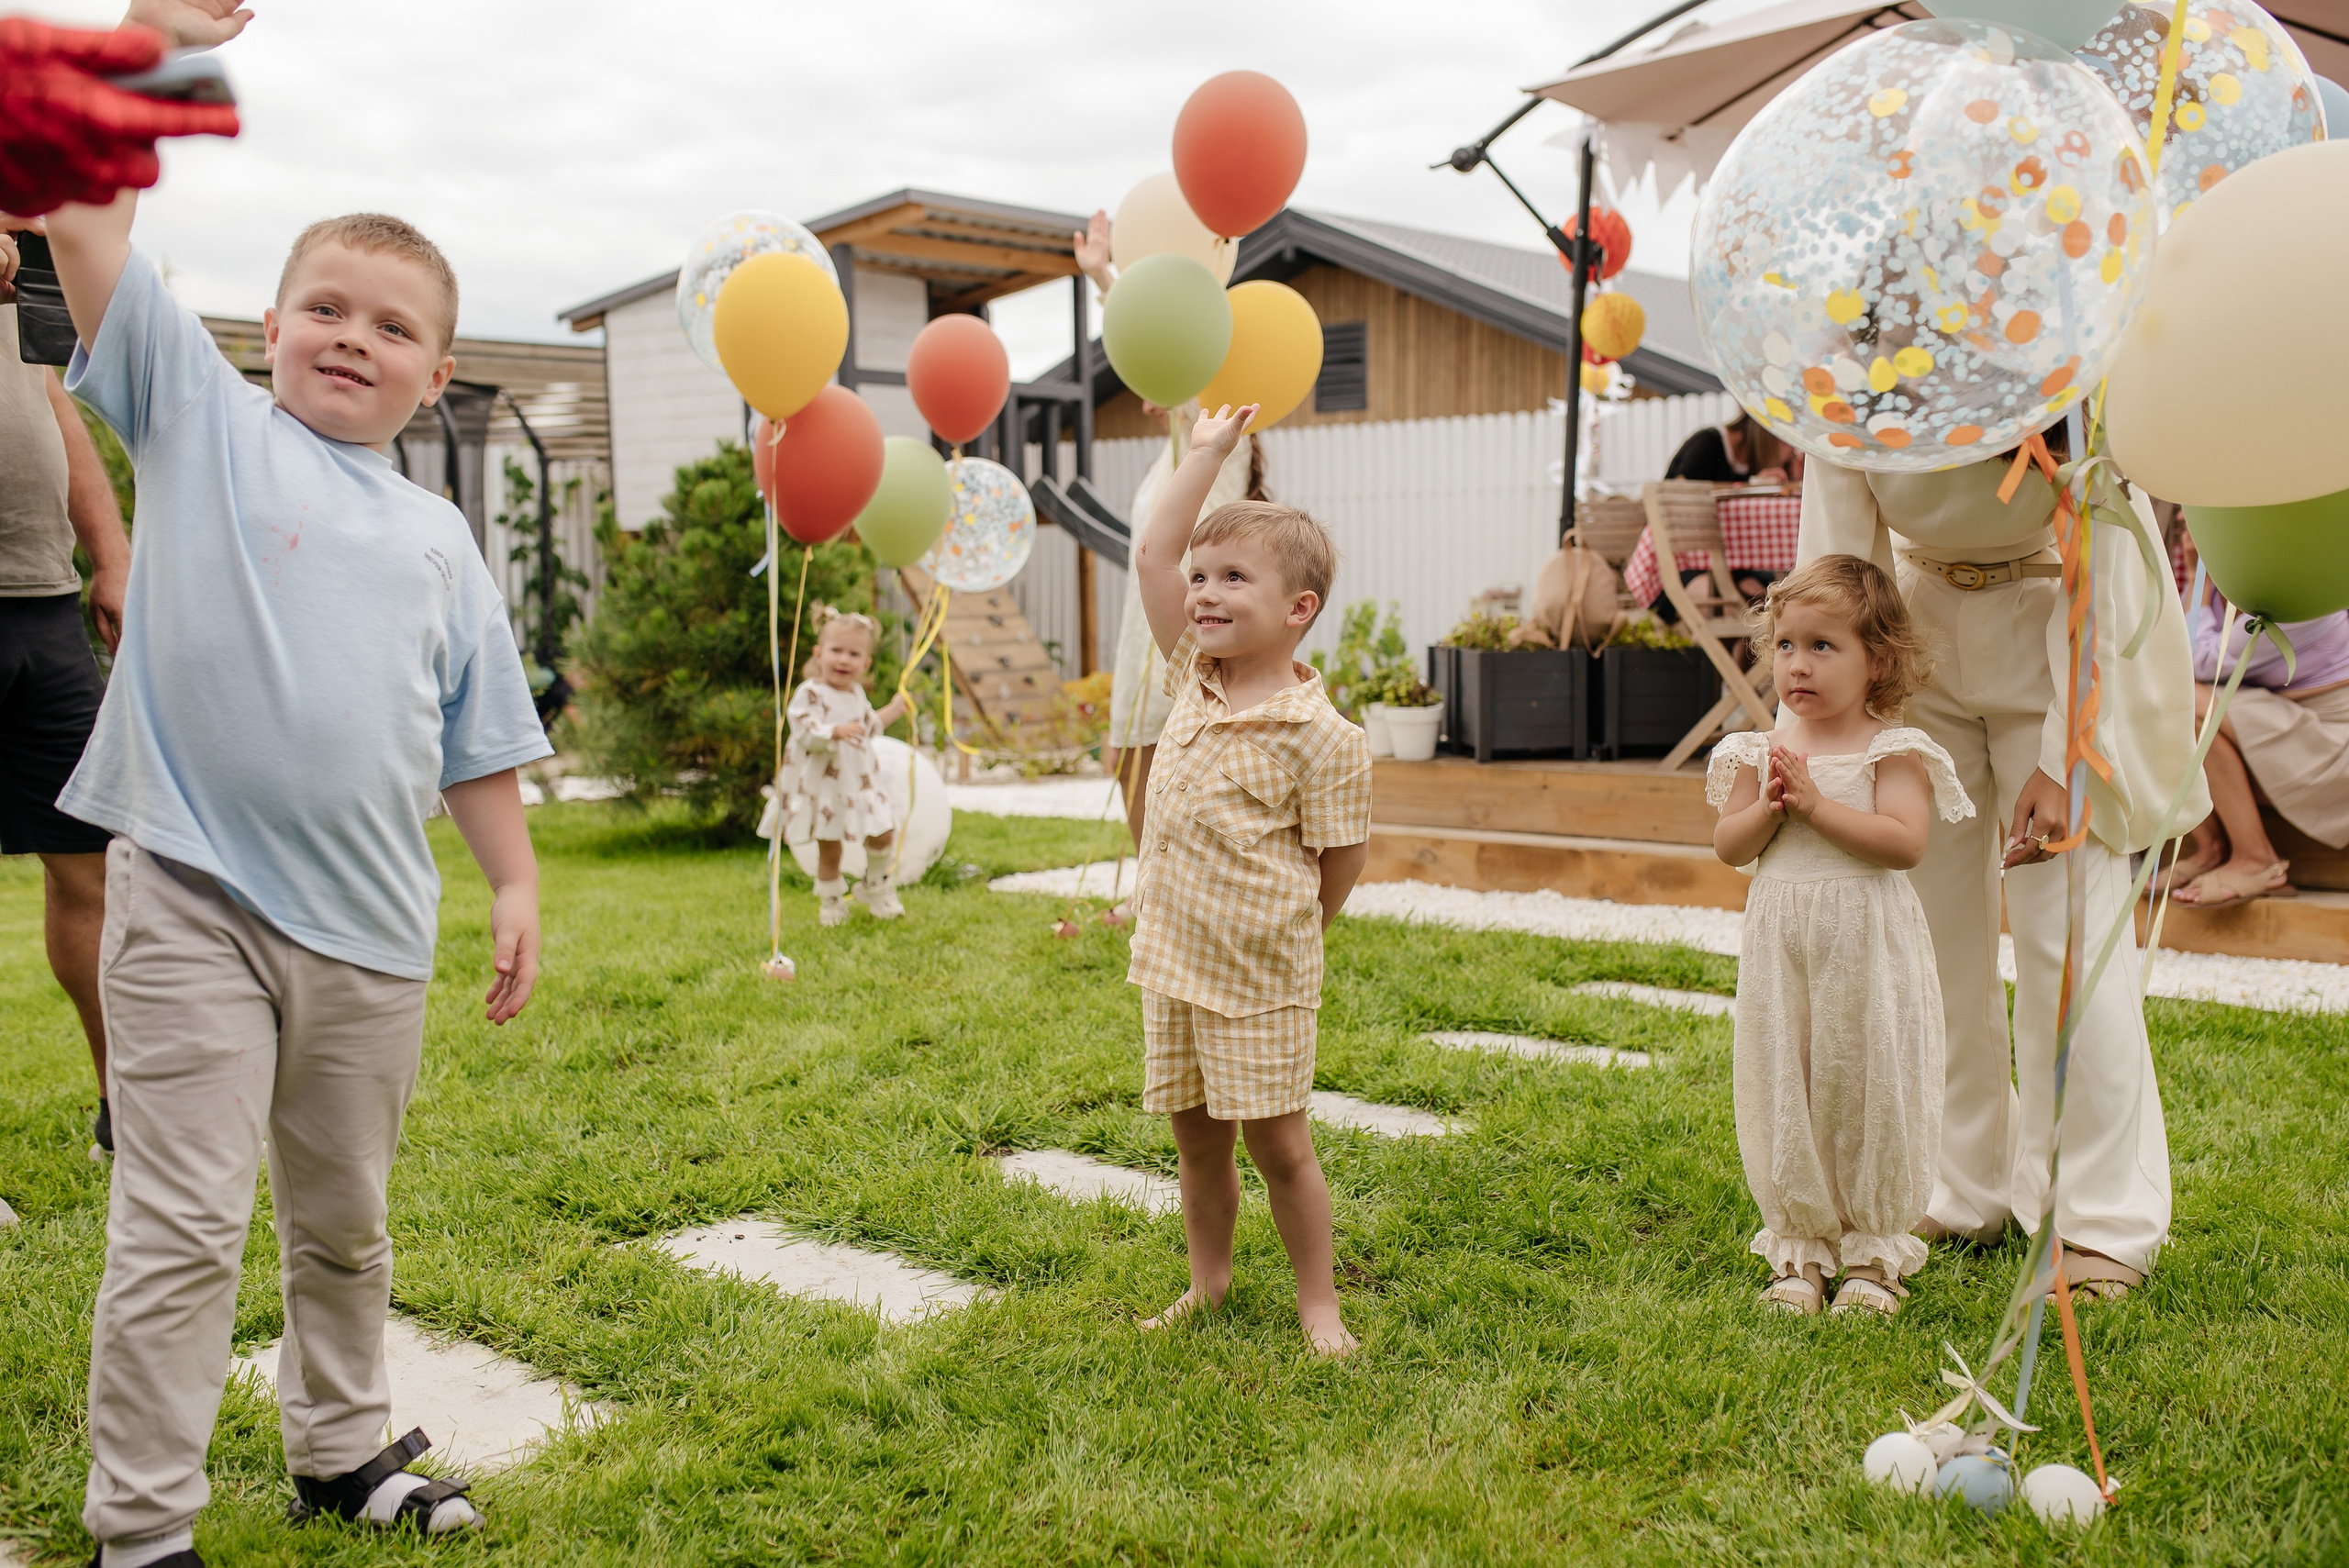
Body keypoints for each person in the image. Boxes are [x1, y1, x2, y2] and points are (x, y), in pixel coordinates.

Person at [49, 6, 553, 1556]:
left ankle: (340, 1445)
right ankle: (143, 1524)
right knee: (182, 1227)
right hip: (189, 897)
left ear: (439, 375)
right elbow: (79, 203)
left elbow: (474, 735)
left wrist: (516, 878)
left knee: (343, 1225)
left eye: (391, 325)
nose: (352, 334)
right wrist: (141, 38)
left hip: (374, 938)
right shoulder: (197, 421)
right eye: (323, 305)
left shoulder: (440, 542)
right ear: (264, 329)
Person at [1794, 455, 2206, 1304]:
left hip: (2060, 618)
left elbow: (2106, 547)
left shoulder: (2060, 346)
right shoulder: (1839, 353)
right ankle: (1956, 1181)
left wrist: (2066, 756)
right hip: (1911, 632)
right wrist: (1823, 746)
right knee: (1927, 930)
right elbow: (1833, 559)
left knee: (2069, 924)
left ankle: (2098, 1216)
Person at [1125, 401, 1371, 1357]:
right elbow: (1153, 553)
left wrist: (1298, 926)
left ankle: (1320, 1304)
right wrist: (1205, 453)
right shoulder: (1193, 675)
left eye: (1232, 577)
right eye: (1201, 577)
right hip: (1173, 963)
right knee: (1194, 1140)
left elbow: (1341, 855)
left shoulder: (1323, 734)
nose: (1202, 592)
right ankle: (1210, 1283)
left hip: (1261, 977)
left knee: (1278, 1144)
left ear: (1297, 607)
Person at [1711, 557, 1972, 1317]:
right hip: (1783, 951)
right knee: (1788, 1079)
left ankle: (1872, 1250)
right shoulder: (1755, 752)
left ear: (1878, 660)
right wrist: (1770, 807)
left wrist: (1818, 806)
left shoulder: (1892, 751)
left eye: (1824, 646)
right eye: (1786, 644)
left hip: (1866, 950)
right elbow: (1731, 845)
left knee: (1867, 1083)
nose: (1798, 663)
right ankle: (1800, 1246)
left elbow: (1903, 842)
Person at [1072, 211, 1260, 878]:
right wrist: (1103, 277)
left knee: (1168, 765)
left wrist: (1107, 280)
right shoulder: (1171, 455)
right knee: (1132, 758)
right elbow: (1155, 331)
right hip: (1142, 627)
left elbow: (1170, 328)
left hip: (1186, 628)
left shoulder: (1217, 441)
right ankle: (1156, 898)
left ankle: (1183, 899)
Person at [2, 213, 131, 1173]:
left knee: (92, 864)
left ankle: (123, 1113)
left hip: (43, 606)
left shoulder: (28, 250)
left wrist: (114, 556)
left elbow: (54, 401)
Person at [2167, 580, 2349, 906]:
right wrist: (2199, 580)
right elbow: (2170, 647)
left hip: (2334, 740)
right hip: (2287, 722)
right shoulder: (2224, 583)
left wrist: (2201, 583)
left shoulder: (2301, 590)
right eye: (2184, 525)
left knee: (2188, 702)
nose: (2187, 530)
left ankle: (2256, 859)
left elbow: (2194, 659)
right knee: (2172, 700)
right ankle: (2211, 849)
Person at [778, 606, 912, 925]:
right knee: (831, 849)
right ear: (818, 653)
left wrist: (895, 710)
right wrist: (834, 731)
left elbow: (868, 726)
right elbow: (803, 731)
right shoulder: (811, 693)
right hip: (827, 788)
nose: (843, 660)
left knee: (882, 833)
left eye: (853, 654)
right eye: (836, 650)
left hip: (860, 783)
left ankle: (875, 885)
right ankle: (832, 902)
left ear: (865, 664)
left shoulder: (855, 694)